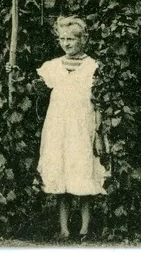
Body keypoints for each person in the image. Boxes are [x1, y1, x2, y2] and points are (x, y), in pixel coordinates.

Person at [37, 16, 106, 241]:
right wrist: (13, 72)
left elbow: (98, 104)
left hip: (81, 128)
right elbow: (35, 90)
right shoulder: (53, 67)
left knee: (82, 172)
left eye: (71, 39)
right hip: (58, 129)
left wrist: (97, 134)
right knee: (61, 173)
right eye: (62, 39)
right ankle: (64, 229)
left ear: (83, 40)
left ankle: (85, 227)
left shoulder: (92, 67)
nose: (66, 43)